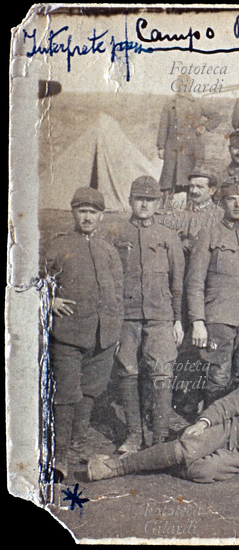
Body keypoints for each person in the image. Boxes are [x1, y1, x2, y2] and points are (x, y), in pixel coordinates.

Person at [87, 341, 239, 482]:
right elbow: (234, 402)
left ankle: (160, 456)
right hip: (229, 431)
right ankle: (115, 467)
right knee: (187, 448)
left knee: (201, 471)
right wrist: (205, 422)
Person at [42, 188, 123, 478]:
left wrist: (115, 331)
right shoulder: (58, 246)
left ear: (101, 216)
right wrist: (48, 300)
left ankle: (77, 443)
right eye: (82, 211)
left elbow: (118, 292)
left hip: (103, 335)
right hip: (69, 334)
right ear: (73, 213)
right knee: (66, 392)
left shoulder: (108, 250)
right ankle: (60, 454)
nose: (87, 217)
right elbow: (36, 281)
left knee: (90, 391)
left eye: (93, 212)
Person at [110, 176, 185, 452]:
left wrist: (178, 319)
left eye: (150, 200)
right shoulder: (117, 233)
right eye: (139, 199)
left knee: (162, 372)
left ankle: (159, 437)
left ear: (158, 203)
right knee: (127, 371)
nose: (144, 204)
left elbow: (177, 281)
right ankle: (133, 434)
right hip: (126, 315)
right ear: (130, 201)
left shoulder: (168, 236)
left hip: (160, 315)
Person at [185, 179, 239, 405]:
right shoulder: (209, 235)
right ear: (222, 202)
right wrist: (198, 320)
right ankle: (214, 426)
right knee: (218, 374)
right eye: (232, 199)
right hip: (220, 316)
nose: (238, 205)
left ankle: (238, 425)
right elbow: (195, 281)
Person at [166, 166, 223, 420]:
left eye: (200, 187)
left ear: (211, 190)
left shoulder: (220, 216)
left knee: (207, 343)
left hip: (209, 287)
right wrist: (180, 243)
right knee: (184, 344)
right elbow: (167, 240)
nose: (194, 191)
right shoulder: (178, 214)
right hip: (181, 285)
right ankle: (184, 398)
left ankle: (206, 400)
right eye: (192, 186)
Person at [157, 74, 222, 207]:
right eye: (180, 83)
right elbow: (163, 126)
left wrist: (204, 127)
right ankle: (165, 209)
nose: (182, 87)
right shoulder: (170, 105)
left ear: (190, 86)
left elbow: (216, 116)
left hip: (191, 148)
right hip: (172, 147)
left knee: (190, 180)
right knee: (168, 181)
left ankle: (191, 208)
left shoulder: (197, 103)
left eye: (185, 84)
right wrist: (160, 147)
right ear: (176, 85)